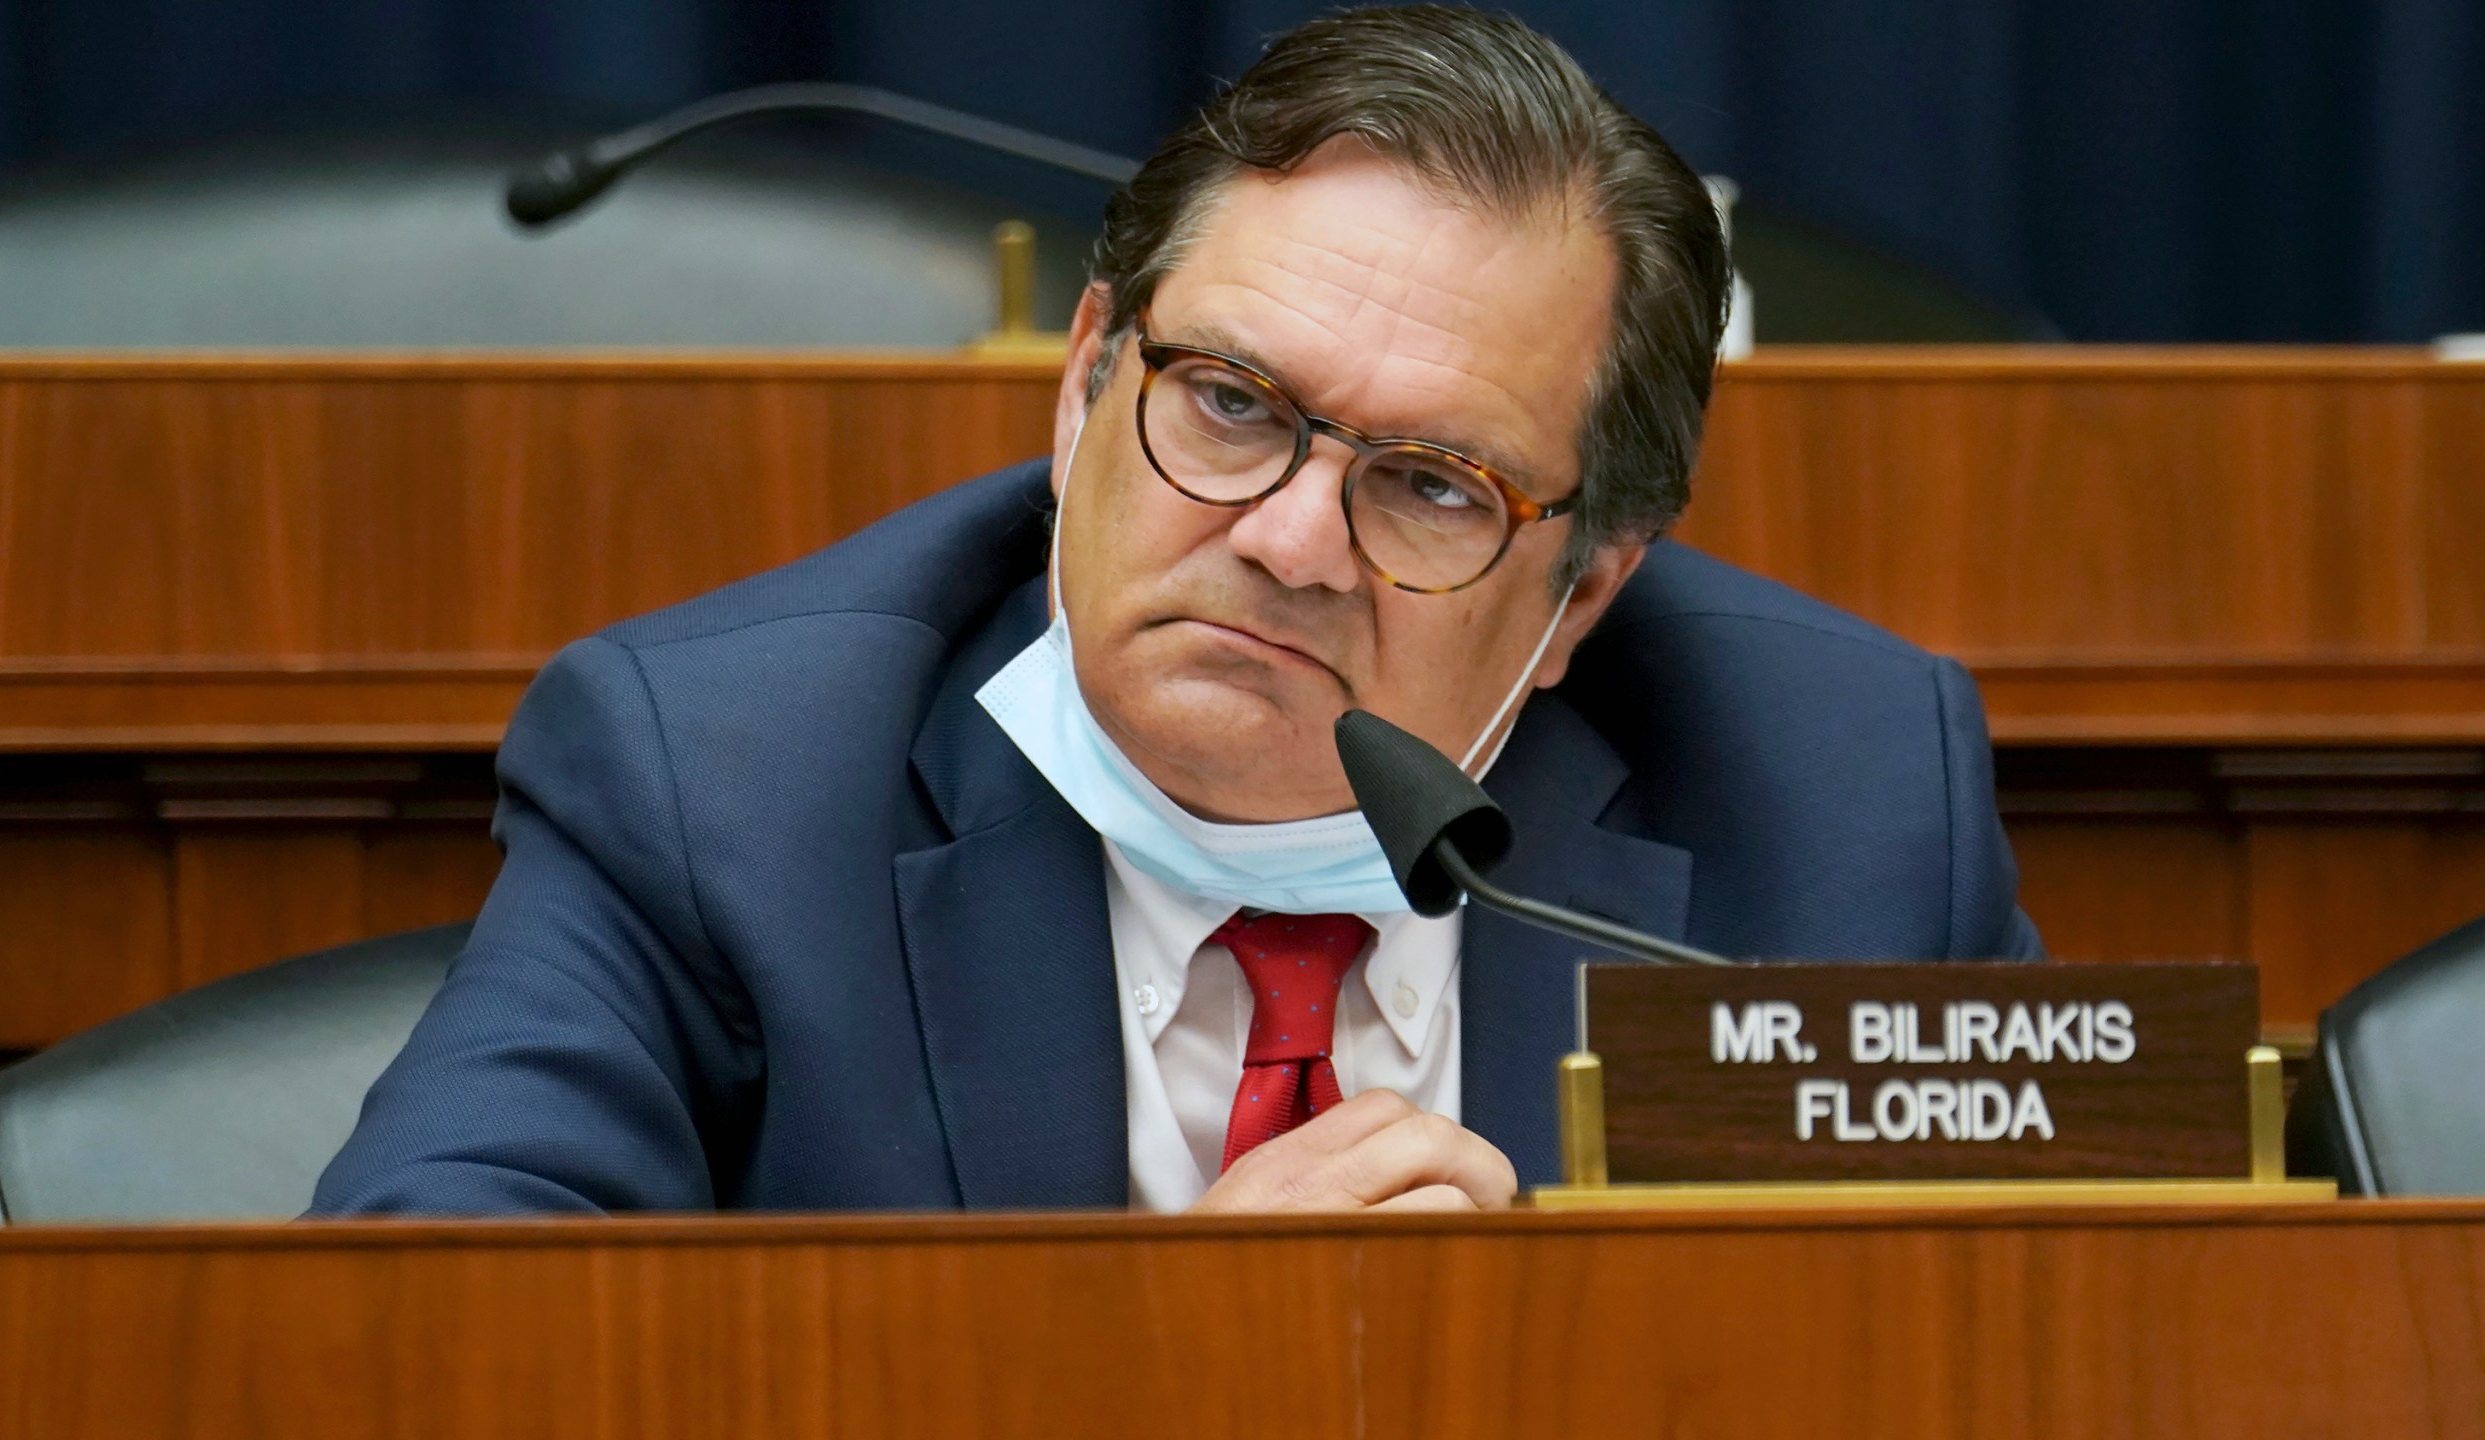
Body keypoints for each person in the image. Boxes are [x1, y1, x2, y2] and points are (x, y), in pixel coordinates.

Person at [310, 6, 2038, 1219]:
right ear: (1079, 387)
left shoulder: (1846, 807)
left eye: (1433, 484)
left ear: (1583, 590)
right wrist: (1166, 1365)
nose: (1290, 539)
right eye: (1226, 400)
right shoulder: (724, 785)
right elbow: (427, 1341)